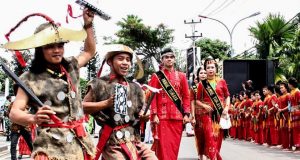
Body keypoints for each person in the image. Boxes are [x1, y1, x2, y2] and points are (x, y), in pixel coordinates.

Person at [9, 8, 96, 159]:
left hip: (79, 143)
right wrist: (33, 119)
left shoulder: (71, 66)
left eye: (60, 45)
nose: (57, 50)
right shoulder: (29, 78)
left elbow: (89, 52)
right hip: (50, 147)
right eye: (50, 46)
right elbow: (14, 112)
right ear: (40, 49)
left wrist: (88, 25)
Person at [83, 44, 158, 160]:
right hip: (112, 142)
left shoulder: (135, 87)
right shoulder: (99, 84)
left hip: (134, 140)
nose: (125, 63)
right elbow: (82, 106)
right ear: (109, 62)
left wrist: (144, 115)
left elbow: (141, 111)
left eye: (128, 60)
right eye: (120, 58)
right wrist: (106, 103)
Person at [149, 48, 190, 160]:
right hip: (162, 118)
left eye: (171, 57)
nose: (169, 59)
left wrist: (186, 114)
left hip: (177, 118)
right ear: (162, 60)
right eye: (166, 57)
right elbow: (152, 97)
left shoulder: (181, 76)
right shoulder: (157, 76)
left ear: (174, 59)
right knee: (163, 148)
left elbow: (186, 96)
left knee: (174, 148)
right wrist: (154, 114)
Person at [195, 57, 230, 160]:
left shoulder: (222, 81)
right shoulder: (202, 84)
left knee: (217, 139)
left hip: (220, 114)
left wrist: (227, 108)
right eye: (208, 67)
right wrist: (204, 105)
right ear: (205, 69)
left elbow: (227, 96)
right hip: (207, 115)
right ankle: (214, 158)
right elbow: (197, 100)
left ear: (216, 69)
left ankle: (214, 157)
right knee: (210, 136)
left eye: (212, 67)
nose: (210, 69)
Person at [190, 66, 208, 160]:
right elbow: (192, 102)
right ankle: (200, 155)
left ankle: (207, 154)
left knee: (209, 135)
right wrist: (192, 116)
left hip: (209, 115)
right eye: (201, 73)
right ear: (198, 75)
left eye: (205, 73)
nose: (203, 75)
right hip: (198, 115)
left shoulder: (212, 86)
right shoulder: (194, 88)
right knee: (200, 136)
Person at [278, 81, 291, 150]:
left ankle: (288, 145)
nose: (281, 89)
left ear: (286, 88)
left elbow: (289, 106)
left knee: (287, 130)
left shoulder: (288, 95)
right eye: (280, 88)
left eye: (282, 88)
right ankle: (284, 144)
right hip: (281, 116)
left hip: (287, 115)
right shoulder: (280, 97)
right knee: (282, 130)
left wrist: (282, 110)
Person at [288, 77, 300, 152]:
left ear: (291, 84)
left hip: (298, 113)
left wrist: (294, 109)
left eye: (288, 83)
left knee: (298, 130)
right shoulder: (292, 92)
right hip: (293, 113)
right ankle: (296, 145)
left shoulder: (297, 92)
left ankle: (299, 146)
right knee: (294, 130)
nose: (288, 85)